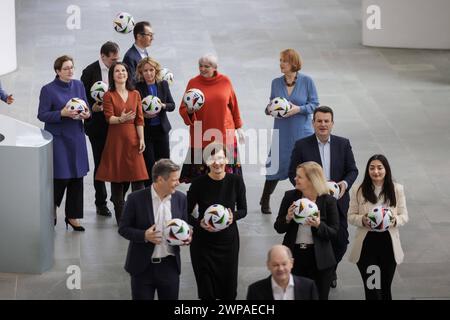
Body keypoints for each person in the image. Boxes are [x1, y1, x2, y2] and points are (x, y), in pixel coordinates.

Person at [288, 106, 358, 288]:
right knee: (317, 240)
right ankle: (321, 273)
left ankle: (330, 269)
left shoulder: (343, 144)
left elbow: (352, 170)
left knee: (341, 240)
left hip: (337, 201)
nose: (323, 124)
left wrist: (344, 184)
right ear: (313, 123)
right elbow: (291, 173)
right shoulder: (302, 145)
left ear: (332, 124)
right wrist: (308, 189)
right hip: (312, 201)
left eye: (327, 121)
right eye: (319, 121)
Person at [118, 159, 191, 300]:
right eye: (174, 179)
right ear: (160, 179)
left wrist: (186, 237)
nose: (178, 183)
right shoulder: (135, 199)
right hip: (142, 268)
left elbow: (184, 225)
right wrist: (144, 235)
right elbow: (123, 228)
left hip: (170, 266)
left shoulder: (180, 199)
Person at [260, 49, 319, 215]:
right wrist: (269, 109)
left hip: (302, 132)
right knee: (275, 165)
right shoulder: (276, 83)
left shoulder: (307, 81)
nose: (281, 64)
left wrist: (298, 109)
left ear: (293, 63)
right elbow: (271, 104)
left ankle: (306, 199)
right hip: (282, 132)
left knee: (303, 167)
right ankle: (265, 198)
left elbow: (314, 104)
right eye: (280, 60)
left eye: (284, 61)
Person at [187, 143, 247, 300]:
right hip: (203, 243)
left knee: (228, 290)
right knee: (207, 291)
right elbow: (185, 212)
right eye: (212, 159)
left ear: (227, 160)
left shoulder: (236, 181)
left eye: (220, 158)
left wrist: (232, 216)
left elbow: (243, 210)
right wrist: (198, 223)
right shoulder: (198, 183)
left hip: (228, 242)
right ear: (206, 162)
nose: (217, 162)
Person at [37, 55, 90, 231]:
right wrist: (61, 113)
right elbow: (42, 115)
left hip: (76, 136)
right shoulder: (48, 90)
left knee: (77, 176)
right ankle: (51, 210)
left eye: (71, 67)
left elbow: (87, 108)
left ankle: (72, 216)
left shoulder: (79, 85)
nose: (70, 71)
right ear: (58, 71)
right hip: (59, 138)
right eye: (66, 68)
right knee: (61, 177)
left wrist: (86, 114)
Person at [275, 161, 339, 300]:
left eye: (299, 177)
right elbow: (278, 228)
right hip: (294, 256)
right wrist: (287, 217)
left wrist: (318, 225)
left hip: (320, 260)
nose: (295, 179)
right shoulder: (290, 197)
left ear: (311, 180)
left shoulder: (328, 201)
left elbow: (334, 233)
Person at [348, 154, 409, 300]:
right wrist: (363, 219)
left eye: (379, 168)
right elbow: (350, 216)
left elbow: (404, 216)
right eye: (372, 168)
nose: (376, 171)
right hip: (367, 244)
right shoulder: (358, 190)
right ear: (368, 171)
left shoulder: (397, 189)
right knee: (373, 289)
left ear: (386, 170)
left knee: (385, 288)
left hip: (388, 244)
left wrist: (393, 220)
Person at [95, 62, 148, 224]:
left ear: (127, 74)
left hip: (133, 140)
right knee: (117, 179)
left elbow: (140, 119)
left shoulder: (135, 94)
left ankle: (138, 216)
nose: (121, 73)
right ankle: (122, 218)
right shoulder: (108, 95)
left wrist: (142, 139)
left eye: (123, 70)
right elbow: (108, 118)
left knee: (138, 180)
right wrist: (121, 119)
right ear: (112, 75)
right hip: (116, 141)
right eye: (117, 71)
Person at [179, 54, 245, 183]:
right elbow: (183, 108)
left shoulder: (225, 81)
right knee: (202, 179)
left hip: (225, 134)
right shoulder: (193, 83)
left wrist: (239, 127)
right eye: (200, 66)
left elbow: (234, 105)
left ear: (215, 67)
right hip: (201, 134)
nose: (202, 69)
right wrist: (189, 111)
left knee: (226, 177)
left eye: (206, 66)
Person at [81, 41, 120, 217]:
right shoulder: (89, 72)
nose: (116, 63)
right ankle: (100, 202)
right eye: (112, 60)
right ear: (102, 56)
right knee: (100, 164)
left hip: (116, 125)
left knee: (117, 163)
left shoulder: (119, 70)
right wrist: (92, 108)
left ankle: (118, 199)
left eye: (117, 59)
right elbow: (81, 99)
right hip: (97, 126)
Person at [135, 57, 175, 186]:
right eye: (145, 70)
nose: (149, 73)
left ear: (156, 70)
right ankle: (150, 190)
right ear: (141, 72)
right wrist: (144, 115)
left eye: (151, 70)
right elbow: (135, 108)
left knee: (164, 163)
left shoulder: (162, 84)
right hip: (146, 132)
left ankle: (165, 188)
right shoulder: (137, 87)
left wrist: (162, 106)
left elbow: (172, 105)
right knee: (149, 163)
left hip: (161, 130)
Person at [246, 244, 318, 300]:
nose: (280, 269)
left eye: (284, 264)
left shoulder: (308, 287)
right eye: (275, 265)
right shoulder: (255, 291)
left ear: (291, 263)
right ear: (268, 265)